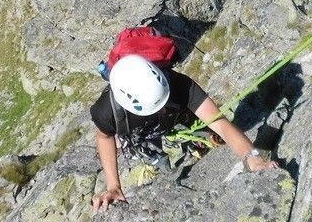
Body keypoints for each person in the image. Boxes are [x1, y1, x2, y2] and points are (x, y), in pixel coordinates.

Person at [90, 54, 279, 212]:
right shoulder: (106, 112)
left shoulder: (180, 85)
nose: (161, 110)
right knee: (153, 154)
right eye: (156, 108)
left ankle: (192, 141)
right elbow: (104, 136)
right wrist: (113, 186)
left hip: (177, 116)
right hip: (140, 132)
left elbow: (220, 123)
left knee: (209, 130)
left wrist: (252, 157)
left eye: (163, 104)